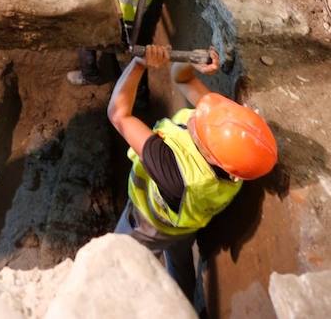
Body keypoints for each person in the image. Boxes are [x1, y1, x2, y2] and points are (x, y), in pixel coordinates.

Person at [108, 44, 277, 304]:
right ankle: (184, 303)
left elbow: (118, 114)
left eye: (201, 123)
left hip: (147, 223)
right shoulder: (231, 153)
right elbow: (182, 78)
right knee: (179, 258)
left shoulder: (173, 170)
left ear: (209, 153)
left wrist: (139, 64)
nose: (199, 115)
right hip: (184, 225)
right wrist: (191, 59)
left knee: (116, 264)